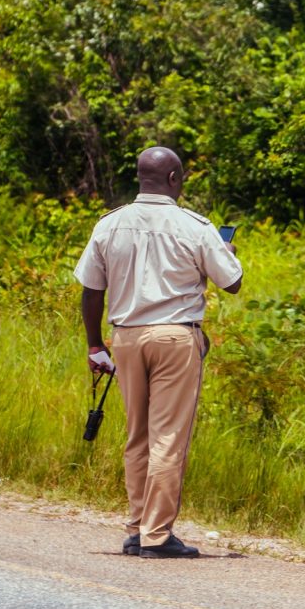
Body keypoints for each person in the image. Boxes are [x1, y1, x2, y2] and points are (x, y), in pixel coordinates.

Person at [74, 146, 243, 559]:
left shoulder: (110, 225)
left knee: (138, 435)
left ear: (139, 177)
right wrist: (227, 255)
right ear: (173, 180)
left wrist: (95, 343)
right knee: (168, 437)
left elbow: (91, 289)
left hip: (125, 337)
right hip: (174, 338)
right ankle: (157, 535)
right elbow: (233, 283)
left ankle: (136, 527)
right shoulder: (195, 226)